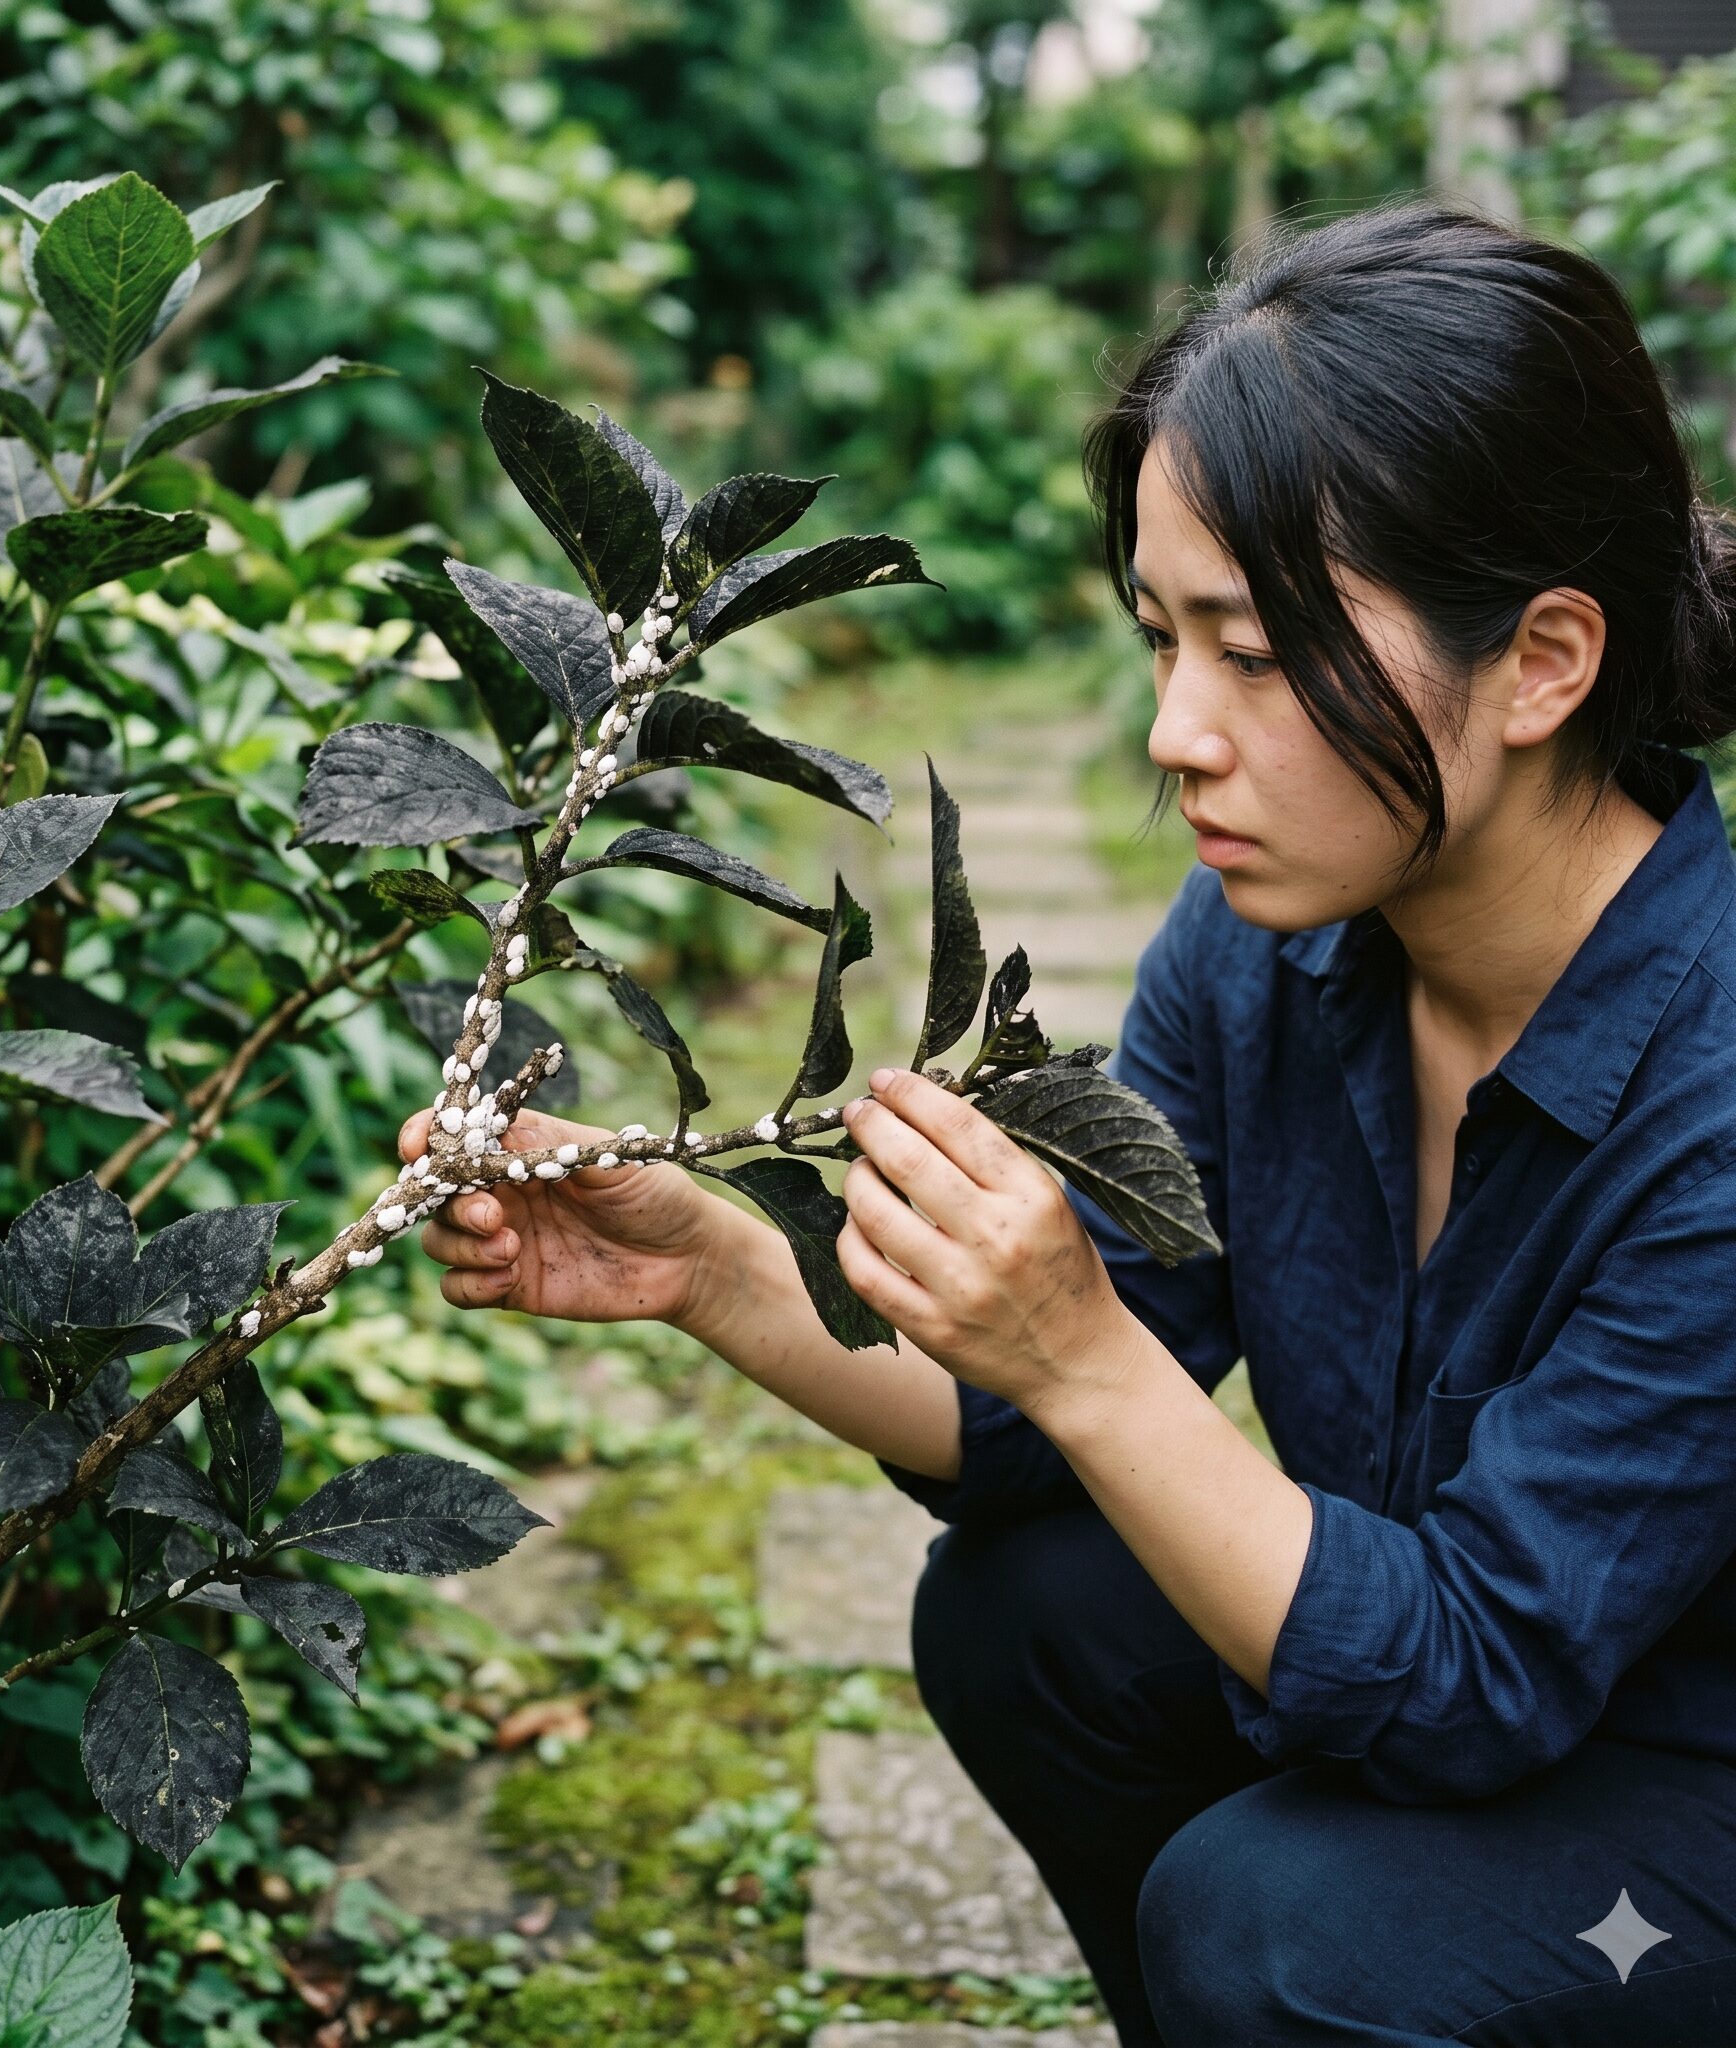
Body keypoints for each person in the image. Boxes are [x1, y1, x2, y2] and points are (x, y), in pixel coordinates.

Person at [402, 199, 1736, 2046]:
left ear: (1542, 662)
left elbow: (1472, 1669)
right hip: (1482, 1685)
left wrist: (1091, 1362)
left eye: (1256, 656)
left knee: (1271, 1929)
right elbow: (1038, 1405)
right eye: (1159, 640)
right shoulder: (1280, 949)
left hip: (1691, 1805)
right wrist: (712, 1269)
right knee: (1032, 1611)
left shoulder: (1716, 1093)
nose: (1179, 730)